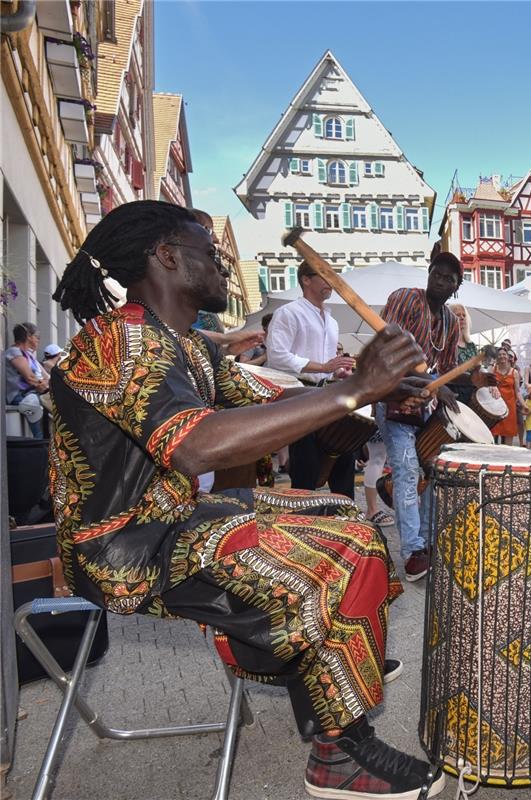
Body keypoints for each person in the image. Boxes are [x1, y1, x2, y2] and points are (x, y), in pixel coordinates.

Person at [48, 200, 444, 800]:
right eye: (211, 251)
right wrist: (357, 387)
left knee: (338, 511)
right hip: (120, 547)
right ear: (168, 257)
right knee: (351, 544)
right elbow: (197, 447)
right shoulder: (120, 341)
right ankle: (337, 751)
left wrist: (369, 385)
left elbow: (268, 401)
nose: (224, 264)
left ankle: (314, 665)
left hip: (171, 520)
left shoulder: (189, 346)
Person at [376, 252, 464, 582]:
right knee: (408, 468)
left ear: (457, 287)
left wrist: (472, 379)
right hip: (394, 397)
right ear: (428, 274)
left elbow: (448, 369)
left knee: (431, 473)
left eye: (449, 279)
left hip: (425, 407)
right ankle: (412, 550)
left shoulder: (452, 322)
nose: (441, 281)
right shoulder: (407, 299)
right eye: (437, 274)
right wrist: (431, 383)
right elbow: (390, 350)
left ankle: (425, 542)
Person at [266, 261, 358, 497]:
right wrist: (323, 366)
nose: (331, 282)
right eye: (324, 276)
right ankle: (304, 520)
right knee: (306, 467)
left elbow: (326, 366)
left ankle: (345, 518)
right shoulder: (288, 313)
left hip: (327, 394)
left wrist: (337, 371)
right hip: (300, 396)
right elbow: (276, 355)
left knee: (344, 459)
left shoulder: (333, 321)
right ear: (306, 280)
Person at [4, 322, 50, 438]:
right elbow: (30, 378)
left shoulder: (28, 355)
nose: (38, 341)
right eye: (37, 337)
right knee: (33, 402)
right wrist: (45, 387)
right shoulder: (14, 352)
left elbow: (44, 378)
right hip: (20, 395)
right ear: (28, 336)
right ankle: (39, 439)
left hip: (30, 393)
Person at [489, 348, 521, 445]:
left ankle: (507, 457)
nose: (502, 356)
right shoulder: (492, 369)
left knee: (508, 432)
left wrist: (524, 405)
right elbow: (486, 382)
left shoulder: (514, 372)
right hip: (494, 405)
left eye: (504, 354)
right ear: (496, 357)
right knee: (493, 432)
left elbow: (518, 392)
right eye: (499, 354)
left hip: (509, 406)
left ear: (508, 357)